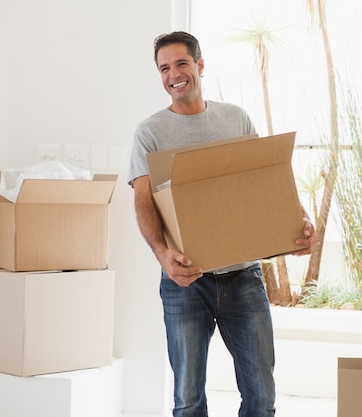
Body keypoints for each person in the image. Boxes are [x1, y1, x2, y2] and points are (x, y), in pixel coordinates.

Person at [127, 31, 316, 417]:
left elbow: (264, 181)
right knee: (188, 399)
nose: (173, 74)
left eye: (181, 63)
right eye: (164, 68)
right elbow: (143, 202)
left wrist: (297, 220)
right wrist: (163, 255)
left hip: (243, 278)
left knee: (261, 397)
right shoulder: (150, 132)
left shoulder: (235, 119)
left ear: (199, 65)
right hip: (185, 283)